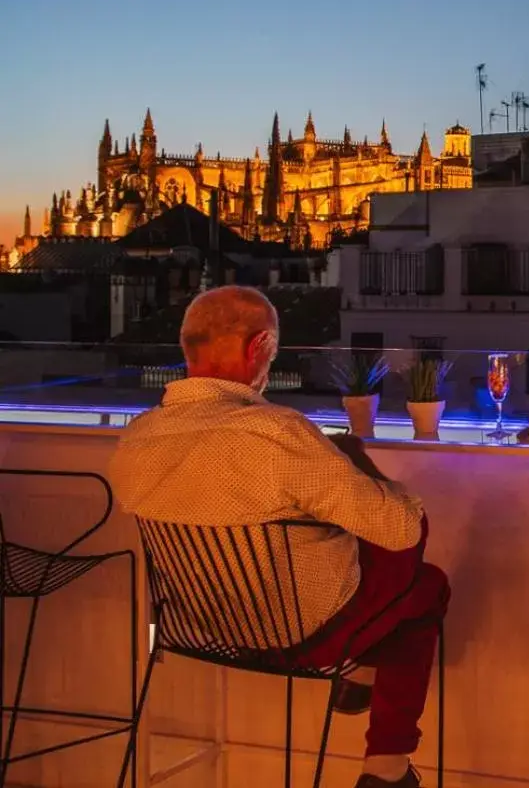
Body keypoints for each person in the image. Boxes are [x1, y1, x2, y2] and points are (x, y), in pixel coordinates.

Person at [107, 286, 447, 788]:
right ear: (258, 347)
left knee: (383, 569)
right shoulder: (274, 435)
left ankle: (364, 687)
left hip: (206, 629)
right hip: (297, 636)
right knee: (426, 583)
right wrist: (353, 461)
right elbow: (400, 529)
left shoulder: (136, 439)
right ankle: (385, 761)